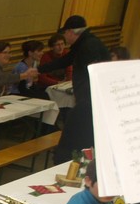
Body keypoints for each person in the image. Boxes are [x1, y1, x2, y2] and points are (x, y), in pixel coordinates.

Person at [37, 15, 110, 164]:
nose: (65, 37)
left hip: (89, 98)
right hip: (89, 98)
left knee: (77, 131)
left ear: (71, 32)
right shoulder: (85, 42)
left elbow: (90, 72)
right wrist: (39, 70)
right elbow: (66, 60)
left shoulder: (88, 46)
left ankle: (70, 162)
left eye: (65, 33)